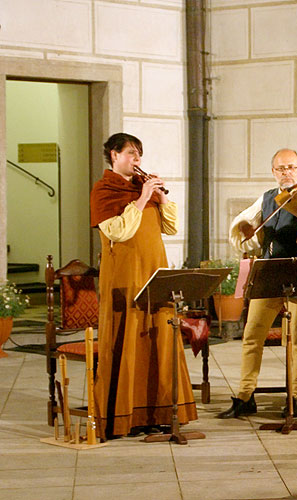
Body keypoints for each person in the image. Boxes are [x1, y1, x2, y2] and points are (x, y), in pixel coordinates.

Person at [90, 132, 197, 439]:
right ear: (114, 155)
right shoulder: (104, 190)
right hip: (125, 277)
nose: (136, 161)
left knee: (159, 338)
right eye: (130, 154)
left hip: (153, 272)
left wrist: (161, 198)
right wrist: (140, 198)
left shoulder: (143, 189)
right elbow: (119, 232)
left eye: (139, 155)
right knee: (129, 339)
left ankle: (159, 413)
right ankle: (125, 417)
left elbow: (170, 226)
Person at [218, 148, 297, 419]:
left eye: (291, 167)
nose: (286, 173)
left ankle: (296, 397)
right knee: (252, 335)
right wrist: (246, 230)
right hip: (270, 272)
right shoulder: (268, 198)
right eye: (280, 168)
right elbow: (249, 233)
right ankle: (245, 397)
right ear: (273, 172)